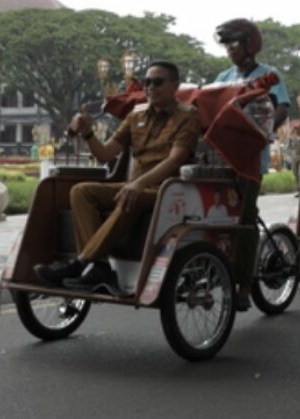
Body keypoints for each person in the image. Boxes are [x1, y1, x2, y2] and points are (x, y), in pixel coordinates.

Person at [33, 61, 201, 295]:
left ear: (175, 85)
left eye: (158, 82)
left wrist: (138, 184)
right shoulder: (136, 115)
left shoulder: (188, 116)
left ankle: (80, 263)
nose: (151, 87)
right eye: (147, 82)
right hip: (134, 187)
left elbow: (175, 159)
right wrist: (88, 133)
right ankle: (100, 268)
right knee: (81, 191)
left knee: (129, 196)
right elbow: (104, 154)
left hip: (166, 191)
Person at [213, 18, 290, 306]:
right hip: (222, 155)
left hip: (251, 156)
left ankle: (243, 285)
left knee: (244, 219)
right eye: (227, 44)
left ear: (250, 44)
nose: (230, 49)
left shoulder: (269, 74)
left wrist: (264, 132)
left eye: (234, 43)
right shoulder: (223, 77)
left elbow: (281, 107)